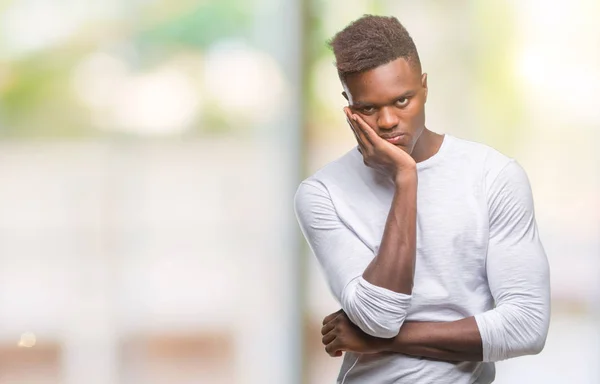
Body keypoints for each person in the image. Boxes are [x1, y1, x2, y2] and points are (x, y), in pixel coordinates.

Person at [294, 15, 550, 384]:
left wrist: (375, 340)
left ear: (424, 87)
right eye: (367, 108)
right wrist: (406, 179)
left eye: (402, 100)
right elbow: (379, 315)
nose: (386, 121)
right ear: (348, 105)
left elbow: (526, 327)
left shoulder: (493, 176)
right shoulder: (322, 193)